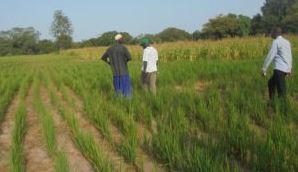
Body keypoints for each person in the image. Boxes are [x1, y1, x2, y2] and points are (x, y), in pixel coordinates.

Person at [261, 27, 292, 100]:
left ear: (275, 33)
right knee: (271, 83)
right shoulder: (287, 42)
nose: (271, 34)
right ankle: (272, 101)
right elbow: (289, 56)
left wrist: (264, 68)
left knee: (281, 90)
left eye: (272, 32)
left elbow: (270, 55)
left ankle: (283, 106)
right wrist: (289, 69)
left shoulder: (276, 42)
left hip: (279, 69)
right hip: (284, 69)